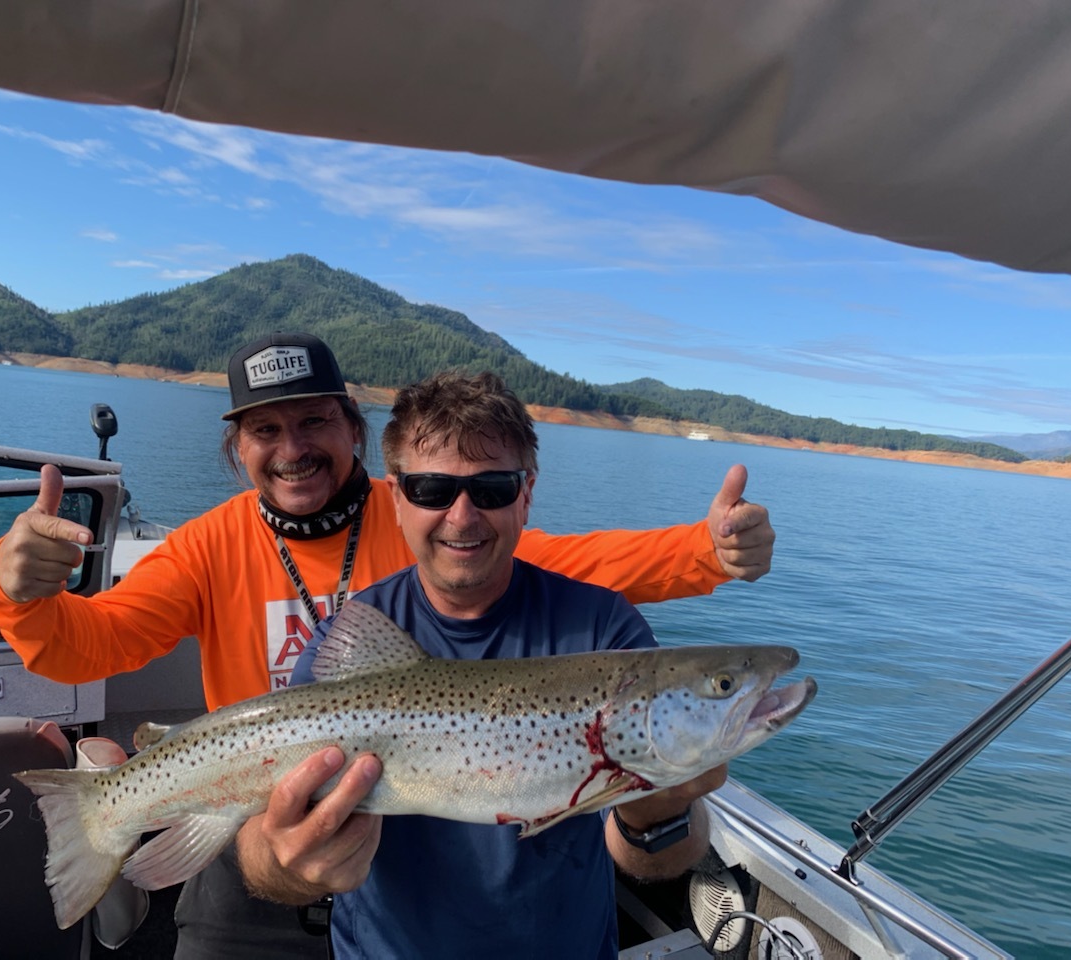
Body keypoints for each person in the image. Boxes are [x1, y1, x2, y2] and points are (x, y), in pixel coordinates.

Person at [0, 331, 773, 958]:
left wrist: (707, 554)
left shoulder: (434, 521)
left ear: (356, 433)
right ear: (238, 448)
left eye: (315, 420)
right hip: (253, 819)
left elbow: (575, 569)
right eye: (266, 428)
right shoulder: (204, 548)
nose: (293, 446)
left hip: (398, 860)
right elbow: (90, 648)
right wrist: (15, 591)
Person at [236, 370, 725, 958]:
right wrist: (291, 863)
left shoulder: (603, 633)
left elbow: (652, 857)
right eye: (431, 490)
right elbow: (263, 854)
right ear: (396, 499)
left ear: (526, 494)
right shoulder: (346, 643)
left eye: (491, 488)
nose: (462, 515)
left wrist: (659, 806)